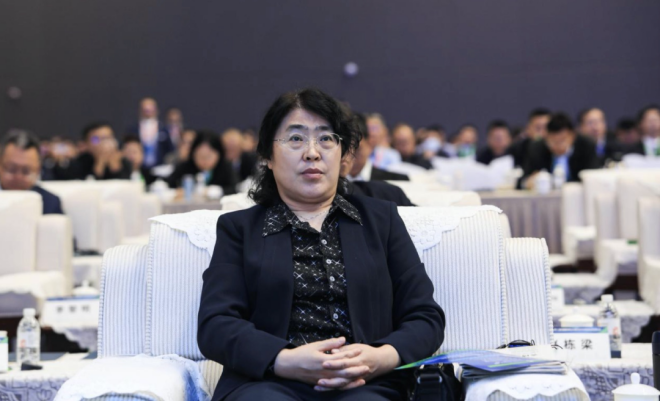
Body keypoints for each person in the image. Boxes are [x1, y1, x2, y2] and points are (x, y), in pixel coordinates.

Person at [198, 88, 445, 401]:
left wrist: (380, 357)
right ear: (267, 157)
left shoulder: (381, 220)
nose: (312, 152)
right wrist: (284, 359)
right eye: (296, 139)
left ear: (343, 154)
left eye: (326, 138)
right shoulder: (239, 229)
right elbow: (216, 325)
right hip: (267, 382)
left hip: (367, 383)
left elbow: (425, 316)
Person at [342, 116, 414, 206]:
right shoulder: (330, 187)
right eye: (344, 150)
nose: (349, 156)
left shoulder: (396, 183)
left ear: (370, 144)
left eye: (356, 149)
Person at [521, 113, 600, 189]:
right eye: (553, 141)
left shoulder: (586, 146)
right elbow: (522, 180)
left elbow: (594, 175)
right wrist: (528, 182)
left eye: (562, 140)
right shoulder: (536, 148)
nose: (558, 145)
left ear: (572, 136)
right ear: (546, 137)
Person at [0, 130, 64, 214]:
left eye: (26, 171)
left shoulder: (49, 203)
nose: (18, 177)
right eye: (11, 169)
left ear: (38, 170)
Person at [167, 129, 237, 194]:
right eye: (200, 156)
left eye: (208, 156)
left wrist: (219, 191)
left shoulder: (225, 167)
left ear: (219, 154)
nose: (204, 161)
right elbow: (169, 183)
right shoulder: (186, 166)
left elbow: (235, 188)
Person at [346, 115, 408, 182]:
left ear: (369, 144)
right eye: (346, 150)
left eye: (357, 149)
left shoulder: (393, 180)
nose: (350, 157)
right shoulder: (339, 179)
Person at [66, 122, 132, 180]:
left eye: (108, 138)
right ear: (86, 143)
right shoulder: (79, 163)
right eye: (96, 139)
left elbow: (124, 183)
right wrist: (100, 163)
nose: (104, 143)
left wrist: (115, 164)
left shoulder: (124, 161)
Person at [126, 97, 174, 168]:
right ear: (140, 110)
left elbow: (170, 149)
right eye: (145, 110)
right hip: (139, 167)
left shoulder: (163, 130)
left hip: (159, 167)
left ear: (156, 110)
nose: (148, 112)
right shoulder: (133, 130)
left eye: (151, 109)